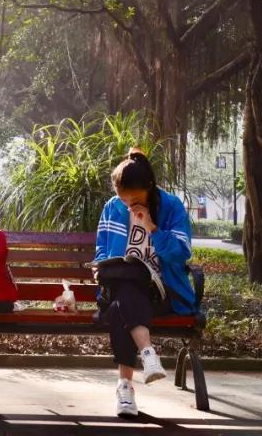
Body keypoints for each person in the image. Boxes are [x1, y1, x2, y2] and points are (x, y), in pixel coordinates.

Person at [94, 148, 194, 418]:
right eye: (123, 198)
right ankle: (147, 355)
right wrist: (102, 267)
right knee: (124, 290)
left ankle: (125, 387)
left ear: (149, 188)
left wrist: (151, 226)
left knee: (120, 304)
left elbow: (181, 253)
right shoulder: (112, 208)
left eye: (135, 199)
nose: (129, 205)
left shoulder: (171, 207)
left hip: (161, 292)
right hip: (120, 288)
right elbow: (101, 251)